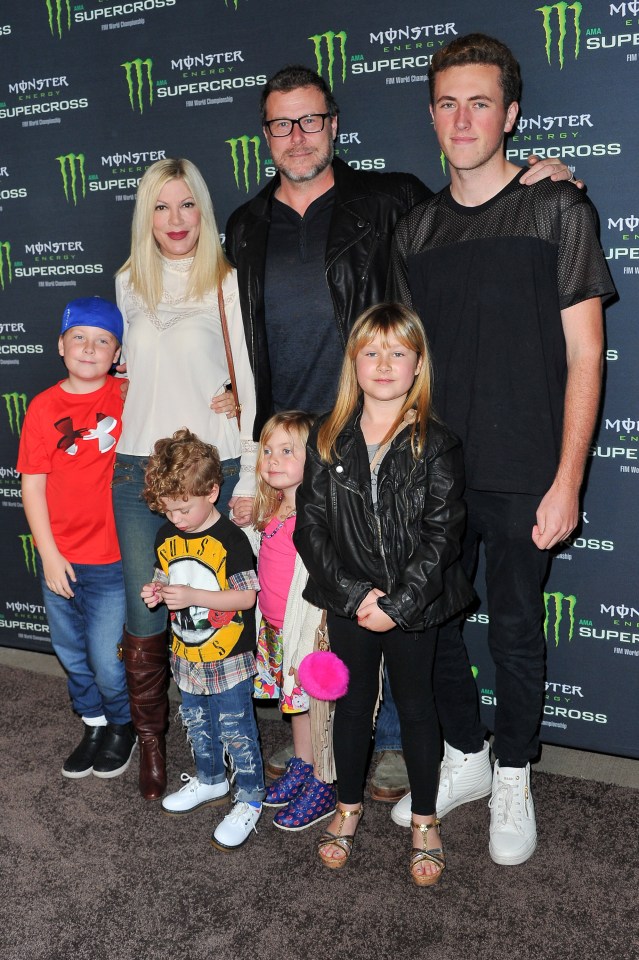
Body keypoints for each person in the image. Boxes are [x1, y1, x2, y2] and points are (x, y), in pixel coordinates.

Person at [225, 63, 579, 803]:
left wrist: (544, 174)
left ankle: (403, 748)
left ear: (333, 124)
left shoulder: (390, 200)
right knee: (320, 603)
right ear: (264, 136)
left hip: (384, 438)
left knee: (408, 598)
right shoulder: (245, 224)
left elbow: (476, 200)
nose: (296, 137)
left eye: (310, 120)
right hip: (300, 447)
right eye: (280, 124)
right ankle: (331, 755)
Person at [388, 33, 615, 866]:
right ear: (431, 116)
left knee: (516, 632)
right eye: (447, 103)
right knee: (435, 630)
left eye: (480, 101)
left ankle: (515, 771)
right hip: (437, 474)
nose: (463, 117)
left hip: (526, 472)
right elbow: (402, 365)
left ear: (511, 114)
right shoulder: (414, 231)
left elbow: (586, 355)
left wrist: (567, 479)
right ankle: (467, 756)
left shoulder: (556, 208)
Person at [294, 303, 475, 885]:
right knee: (352, 707)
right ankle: (347, 809)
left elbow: (444, 534)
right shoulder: (326, 438)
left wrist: (396, 605)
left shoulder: (436, 444)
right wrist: (352, 597)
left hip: (413, 608)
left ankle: (425, 819)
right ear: (353, 362)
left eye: (398, 352)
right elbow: (310, 528)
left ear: (418, 365)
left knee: (417, 706)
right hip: (348, 601)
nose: (384, 363)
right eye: (371, 351)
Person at [113, 158, 257, 801]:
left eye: (187, 205)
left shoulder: (227, 282)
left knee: (217, 614)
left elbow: (250, 381)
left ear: (204, 210)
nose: (175, 220)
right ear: (147, 216)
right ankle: (153, 747)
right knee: (147, 616)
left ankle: (232, 751)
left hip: (211, 469)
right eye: (161, 207)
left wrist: (248, 460)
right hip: (138, 470)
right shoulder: (127, 283)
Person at [18, 297, 136, 780]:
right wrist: (47, 553)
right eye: (79, 338)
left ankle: (122, 726)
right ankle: (93, 723)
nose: (90, 348)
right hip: (60, 558)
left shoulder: (129, 394)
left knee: (107, 658)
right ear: (60, 346)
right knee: (70, 652)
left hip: (111, 559)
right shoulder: (45, 406)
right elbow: (32, 483)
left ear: (117, 354)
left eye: (103, 340)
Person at [140, 428, 265, 849]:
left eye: (183, 509)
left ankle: (250, 796)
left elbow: (247, 596)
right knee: (196, 723)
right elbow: (163, 575)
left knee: (235, 726)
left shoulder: (232, 539)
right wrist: (154, 592)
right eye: (169, 511)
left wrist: (194, 596)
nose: (176, 519)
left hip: (229, 654)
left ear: (212, 491)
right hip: (186, 653)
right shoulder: (165, 535)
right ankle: (211, 780)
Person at [250, 411, 337, 830]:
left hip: (306, 631)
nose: (273, 459)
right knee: (295, 705)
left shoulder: (312, 513)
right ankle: (303, 764)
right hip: (274, 626)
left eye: (288, 451)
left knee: (317, 708)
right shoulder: (272, 509)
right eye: (268, 450)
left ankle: (325, 778)